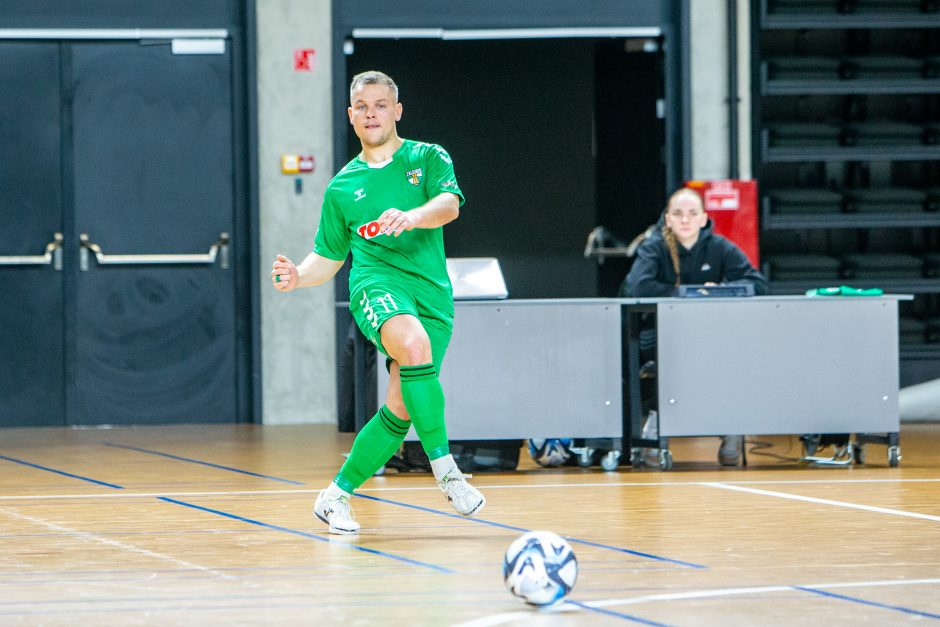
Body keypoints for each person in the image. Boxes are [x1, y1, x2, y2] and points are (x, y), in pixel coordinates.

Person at [271, 70, 484, 534]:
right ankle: (448, 473)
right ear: (351, 116)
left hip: (432, 294)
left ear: (396, 111)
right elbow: (327, 259)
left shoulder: (427, 157)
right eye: (362, 107)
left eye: (380, 105)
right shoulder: (341, 189)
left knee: (401, 408)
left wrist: (411, 217)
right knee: (411, 344)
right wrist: (297, 277)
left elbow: (450, 204)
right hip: (376, 284)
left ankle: (334, 497)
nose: (371, 113)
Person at [621, 187, 769, 466]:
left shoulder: (720, 247)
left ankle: (731, 429)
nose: (685, 220)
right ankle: (654, 431)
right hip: (660, 335)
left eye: (692, 214)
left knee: (731, 356)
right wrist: (688, 293)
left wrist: (721, 290)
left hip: (709, 337)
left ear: (703, 218)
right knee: (669, 357)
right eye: (678, 214)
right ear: (668, 219)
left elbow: (758, 283)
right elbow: (640, 286)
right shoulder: (654, 248)